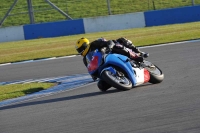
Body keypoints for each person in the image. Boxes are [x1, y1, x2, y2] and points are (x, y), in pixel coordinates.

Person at [75, 37, 149, 91]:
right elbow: (89, 68)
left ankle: (137, 54)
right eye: (79, 50)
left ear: (85, 45)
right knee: (101, 86)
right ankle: (119, 80)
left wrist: (109, 47)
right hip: (102, 66)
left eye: (80, 49)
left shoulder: (95, 43)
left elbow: (109, 42)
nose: (80, 52)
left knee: (119, 42)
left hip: (111, 54)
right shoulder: (85, 59)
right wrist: (93, 76)